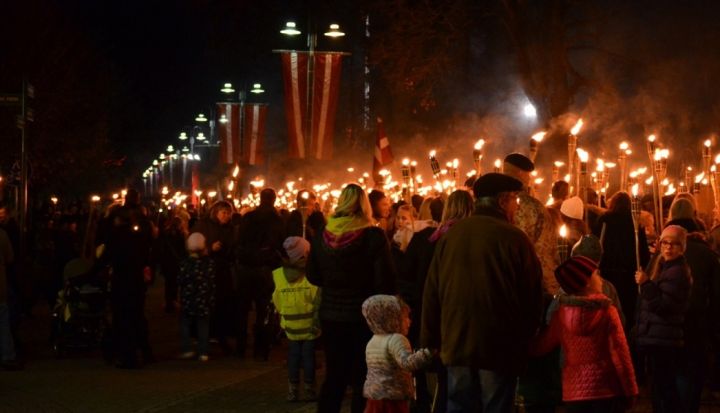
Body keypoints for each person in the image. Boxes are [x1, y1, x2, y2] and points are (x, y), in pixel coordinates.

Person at [422, 173, 543, 413]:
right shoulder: (515, 239)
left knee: (459, 406)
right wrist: (526, 340)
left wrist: (430, 340)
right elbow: (532, 297)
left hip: (456, 343)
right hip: (498, 346)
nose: (516, 207)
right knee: (496, 406)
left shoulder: (451, 235)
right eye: (514, 200)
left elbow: (432, 291)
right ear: (501, 201)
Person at [307, 183, 396, 413]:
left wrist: (334, 282)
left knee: (335, 374)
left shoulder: (322, 236)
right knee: (362, 377)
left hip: (331, 315)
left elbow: (313, 275)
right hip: (362, 316)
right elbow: (384, 281)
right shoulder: (372, 236)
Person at [530, 256, 638, 412]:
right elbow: (620, 354)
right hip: (606, 389)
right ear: (586, 281)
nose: (600, 279)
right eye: (596, 275)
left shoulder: (560, 316)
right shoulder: (607, 312)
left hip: (574, 392)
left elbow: (542, 345)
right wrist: (631, 390)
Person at [663, 202, 720, 412]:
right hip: (695, 321)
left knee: (671, 376)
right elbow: (715, 296)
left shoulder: (661, 253)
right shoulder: (707, 255)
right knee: (689, 373)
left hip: (668, 321)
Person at [635, 225, 692, 413]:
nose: (668, 247)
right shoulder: (661, 265)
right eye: (665, 242)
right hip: (657, 336)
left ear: (682, 247)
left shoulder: (677, 272)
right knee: (660, 387)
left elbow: (663, 306)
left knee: (665, 387)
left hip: (664, 338)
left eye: (674, 244)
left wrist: (646, 284)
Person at [102, 189, 154, 369]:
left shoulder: (128, 223)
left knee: (124, 316)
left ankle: (128, 353)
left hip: (126, 274)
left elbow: (107, 245)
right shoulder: (139, 221)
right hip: (131, 274)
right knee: (134, 315)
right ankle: (139, 351)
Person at [362, 295, 433, 413]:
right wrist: (427, 353)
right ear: (392, 319)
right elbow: (407, 363)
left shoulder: (373, 340)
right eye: (405, 317)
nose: (409, 321)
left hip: (374, 396)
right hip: (393, 396)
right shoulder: (396, 339)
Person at [237, 189, 285, 360]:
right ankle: (261, 349)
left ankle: (240, 347)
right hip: (265, 270)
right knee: (263, 311)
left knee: (242, 310)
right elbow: (281, 244)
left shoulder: (248, 217)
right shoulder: (276, 220)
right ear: (273, 199)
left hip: (245, 269)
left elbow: (239, 240)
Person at [503, 153, 561, 296]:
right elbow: (543, 251)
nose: (529, 179)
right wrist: (553, 289)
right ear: (521, 174)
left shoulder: (494, 205)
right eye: (528, 175)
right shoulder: (532, 207)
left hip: (502, 285)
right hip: (532, 285)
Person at [272, 236, 320, 402]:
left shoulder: (278, 275)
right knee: (308, 357)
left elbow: (276, 301)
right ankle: (309, 389)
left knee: (293, 357)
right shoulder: (311, 275)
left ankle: (292, 390)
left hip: (290, 325)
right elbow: (317, 300)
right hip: (309, 326)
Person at [192, 200, 237, 354]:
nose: (227, 216)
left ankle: (221, 334)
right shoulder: (203, 226)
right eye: (224, 213)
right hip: (207, 270)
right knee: (207, 303)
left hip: (223, 270)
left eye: (229, 213)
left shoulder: (230, 228)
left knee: (223, 303)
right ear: (216, 212)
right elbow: (194, 247)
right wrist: (210, 248)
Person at [178, 232, 216, 362]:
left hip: (188, 298)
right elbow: (212, 281)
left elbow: (180, 280)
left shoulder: (185, 263)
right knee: (203, 325)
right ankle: (203, 351)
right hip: (204, 298)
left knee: (185, 324)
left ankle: (187, 348)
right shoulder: (208, 263)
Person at [157, 215, 188, 313]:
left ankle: (169, 303)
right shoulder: (181, 234)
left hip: (167, 262)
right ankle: (173, 301)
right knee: (175, 283)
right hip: (176, 263)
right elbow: (183, 250)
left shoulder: (165, 234)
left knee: (168, 283)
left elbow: (161, 249)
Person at [0, 227, 20, 370]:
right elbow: (10, 258)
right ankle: (7, 355)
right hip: (0, 286)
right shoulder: (2, 235)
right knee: (3, 321)